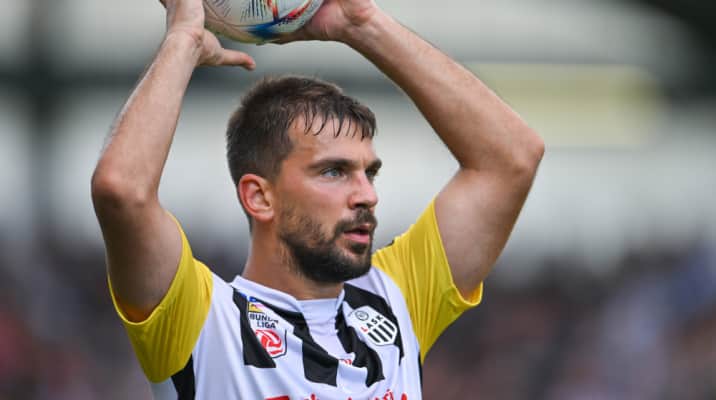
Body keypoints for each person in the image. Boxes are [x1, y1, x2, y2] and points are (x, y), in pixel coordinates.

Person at [91, 0, 544, 398]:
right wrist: (183, 41)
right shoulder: (204, 322)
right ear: (259, 197)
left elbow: (512, 159)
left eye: (369, 173)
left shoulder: (396, 299)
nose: (366, 195)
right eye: (334, 172)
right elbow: (122, 191)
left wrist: (362, 24)